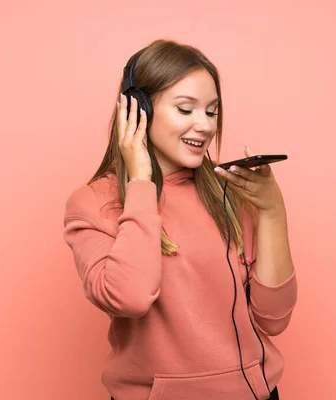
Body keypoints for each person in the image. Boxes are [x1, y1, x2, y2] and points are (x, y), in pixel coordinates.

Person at [63, 39, 298, 400]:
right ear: (138, 110)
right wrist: (140, 181)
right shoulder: (94, 203)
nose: (204, 126)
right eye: (186, 110)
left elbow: (273, 319)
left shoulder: (229, 194)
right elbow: (130, 297)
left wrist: (271, 212)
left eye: (212, 111)